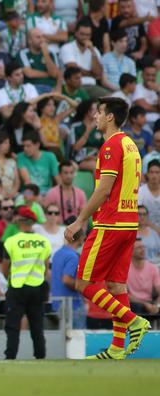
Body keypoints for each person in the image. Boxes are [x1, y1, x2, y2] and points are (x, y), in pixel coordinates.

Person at [64, 97, 152, 360]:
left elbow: (104, 189)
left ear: (110, 117)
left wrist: (80, 220)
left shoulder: (112, 146)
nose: (95, 117)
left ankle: (134, 321)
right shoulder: (131, 145)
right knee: (116, 285)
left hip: (110, 223)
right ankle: (116, 348)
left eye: (99, 113)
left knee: (84, 283)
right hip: (129, 223)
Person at [0, 206, 51, 359]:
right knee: (37, 327)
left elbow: (4, 267)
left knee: (12, 326)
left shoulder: (11, 242)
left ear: (19, 220)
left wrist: (11, 276)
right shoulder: (43, 242)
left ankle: (10, 357)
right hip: (37, 288)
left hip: (17, 288)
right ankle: (40, 357)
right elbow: (46, 268)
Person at [59, 19, 106, 99]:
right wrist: (92, 74)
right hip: (74, 87)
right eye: (82, 34)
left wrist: (92, 51)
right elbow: (73, 70)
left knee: (111, 99)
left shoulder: (94, 50)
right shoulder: (67, 48)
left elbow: (98, 74)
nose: (85, 37)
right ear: (76, 33)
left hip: (92, 86)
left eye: (88, 35)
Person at [51, 224, 87, 328]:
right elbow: (66, 280)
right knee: (77, 341)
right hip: (72, 306)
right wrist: (83, 286)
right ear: (80, 238)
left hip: (57, 305)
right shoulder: (73, 257)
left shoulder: (57, 253)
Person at [17, 28, 60, 94]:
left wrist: (45, 53)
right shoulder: (23, 53)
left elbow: (54, 74)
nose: (42, 40)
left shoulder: (51, 53)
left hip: (51, 87)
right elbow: (29, 73)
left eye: (43, 37)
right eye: (38, 37)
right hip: (33, 88)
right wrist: (48, 74)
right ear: (29, 41)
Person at [17, 130, 59, 195]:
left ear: (37, 145)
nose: (25, 149)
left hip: (47, 192)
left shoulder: (50, 156)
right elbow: (27, 181)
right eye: (23, 146)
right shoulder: (21, 156)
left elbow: (57, 178)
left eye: (28, 146)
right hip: (29, 191)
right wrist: (36, 197)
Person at [127, 239, 160, 317]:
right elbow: (125, 294)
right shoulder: (125, 269)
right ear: (131, 251)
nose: (143, 250)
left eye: (143, 247)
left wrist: (157, 305)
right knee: (136, 307)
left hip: (151, 302)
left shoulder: (152, 268)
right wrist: (145, 304)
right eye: (139, 248)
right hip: (134, 303)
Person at [70, 99, 103, 171]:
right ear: (87, 111)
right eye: (95, 110)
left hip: (97, 158)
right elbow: (76, 148)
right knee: (95, 166)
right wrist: (89, 130)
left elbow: (104, 148)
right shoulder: (76, 127)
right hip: (80, 159)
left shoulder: (100, 128)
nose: (98, 112)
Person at [132, 60, 159, 126]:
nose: (150, 78)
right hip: (146, 123)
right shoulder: (137, 88)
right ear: (142, 75)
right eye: (147, 75)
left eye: (153, 75)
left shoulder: (158, 88)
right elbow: (145, 107)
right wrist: (158, 109)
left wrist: (158, 91)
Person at [139, 160, 160, 228]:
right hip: (145, 231)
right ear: (147, 174)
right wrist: (156, 229)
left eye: (157, 172)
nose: (154, 175)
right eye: (151, 172)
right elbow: (138, 215)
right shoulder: (140, 191)